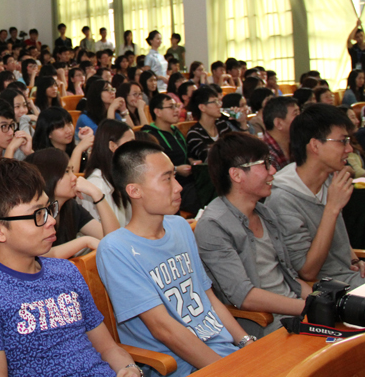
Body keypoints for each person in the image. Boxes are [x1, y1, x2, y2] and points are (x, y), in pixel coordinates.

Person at [0, 158, 140, 377]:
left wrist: (130, 369)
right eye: (38, 214)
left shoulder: (66, 271)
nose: (51, 221)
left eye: (49, 209)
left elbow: (108, 348)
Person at [97, 141, 250, 377]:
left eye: (175, 177)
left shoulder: (180, 227)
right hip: (183, 366)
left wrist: (246, 343)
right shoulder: (116, 249)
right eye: (166, 179)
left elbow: (208, 296)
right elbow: (163, 329)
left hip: (223, 352)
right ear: (134, 191)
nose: (178, 187)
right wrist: (227, 371)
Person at [195, 133, 311, 337]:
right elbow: (244, 296)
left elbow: (289, 277)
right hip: (266, 324)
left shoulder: (264, 213)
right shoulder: (214, 225)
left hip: (295, 310)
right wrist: (307, 307)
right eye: (265, 164)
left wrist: (320, 300)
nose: (273, 170)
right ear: (237, 175)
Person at [267, 104, 365, 288]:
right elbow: (307, 271)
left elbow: (339, 242)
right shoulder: (282, 199)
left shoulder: (329, 180)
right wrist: (332, 207)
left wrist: (355, 261)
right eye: (342, 141)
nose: (349, 149)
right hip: (328, 290)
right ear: (315, 145)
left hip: (351, 276)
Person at [26, 148, 120, 259]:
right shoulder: (35, 213)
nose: (74, 177)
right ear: (48, 176)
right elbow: (39, 256)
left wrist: (97, 195)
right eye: (67, 172)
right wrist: (85, 241)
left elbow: (114, 240)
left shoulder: (71, 207)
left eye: (72, 171)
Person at [142, 94, 200, 214]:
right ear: (158, 112)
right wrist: (176, 169)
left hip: (189, 181)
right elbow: (150, 167)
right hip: (169, 188)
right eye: (171, 107)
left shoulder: (176, 131)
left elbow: (186, 154)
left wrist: (192, 162)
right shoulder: (149, 135)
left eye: (176, 106)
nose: (176, 110)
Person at [82, 119, 135, 226]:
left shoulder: (122, 177)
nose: (135, 149)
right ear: (112, 146)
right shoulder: (96, 184)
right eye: (130, 143)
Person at [32, 106, 92, 171]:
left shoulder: (72, 150)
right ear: (48, 133)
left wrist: (88, 148)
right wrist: (79, 149)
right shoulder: (43, 158)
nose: (69, 130)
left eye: (69, 124)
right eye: (61, 127)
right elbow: (70, 175)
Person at [186, 87, 232, 163]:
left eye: (219, 101)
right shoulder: (194, 134)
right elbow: (208, 159)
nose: (219, 105)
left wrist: (242, 123)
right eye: (215, 102)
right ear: (202, 107)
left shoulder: (222, 125)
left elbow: (237, 148)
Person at [262, 96, 300, 171]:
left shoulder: (298, 143)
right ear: (279, 123)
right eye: (296, 114)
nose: (302, 118)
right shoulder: (264, 154)